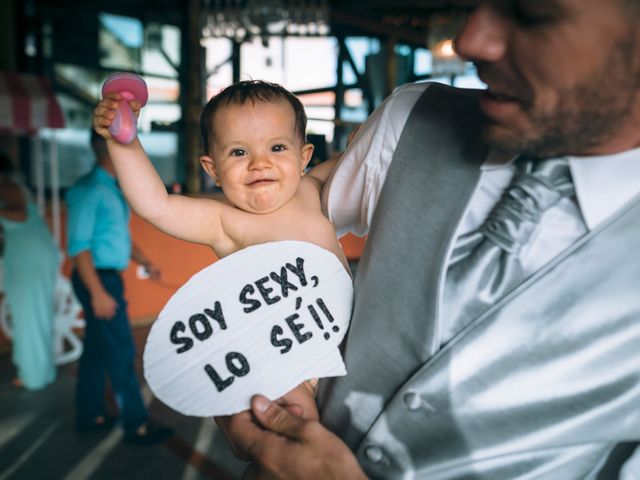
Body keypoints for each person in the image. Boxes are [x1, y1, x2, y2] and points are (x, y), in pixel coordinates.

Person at [220, 0, 640, 478]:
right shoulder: (410, 119)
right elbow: (282, 225)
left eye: (531, 13)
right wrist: (259, 357)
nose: (469, 40)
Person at [93, 80, 345, 427]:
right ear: (213, 170)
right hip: (286, 363)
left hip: (350, 336)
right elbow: (156, 205)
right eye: (239, 152)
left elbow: (371, 152)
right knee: (300, 430)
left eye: (276, 147)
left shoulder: (312, 188)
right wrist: (122, 141)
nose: (259, 163)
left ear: (303, 157)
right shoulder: (224, 221)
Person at [65, 131, 173, 444]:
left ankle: (90, 416)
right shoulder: (88, 191)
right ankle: (136, 424)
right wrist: (98, 293)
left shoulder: (109, 189)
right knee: (122, 349)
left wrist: (144, 260)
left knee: (98, 351)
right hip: (97, 280)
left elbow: (115, 236)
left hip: (107, 276)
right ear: (108, 151)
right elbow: (79, 247)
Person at [0, 152, 58, 391]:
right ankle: (41, 370)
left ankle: (33, 374)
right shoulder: (11, 184)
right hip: (29, 255)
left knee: (28, 317)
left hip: (29, 257)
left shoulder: (6, 185)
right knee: (33, 315)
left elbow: (20, 215)